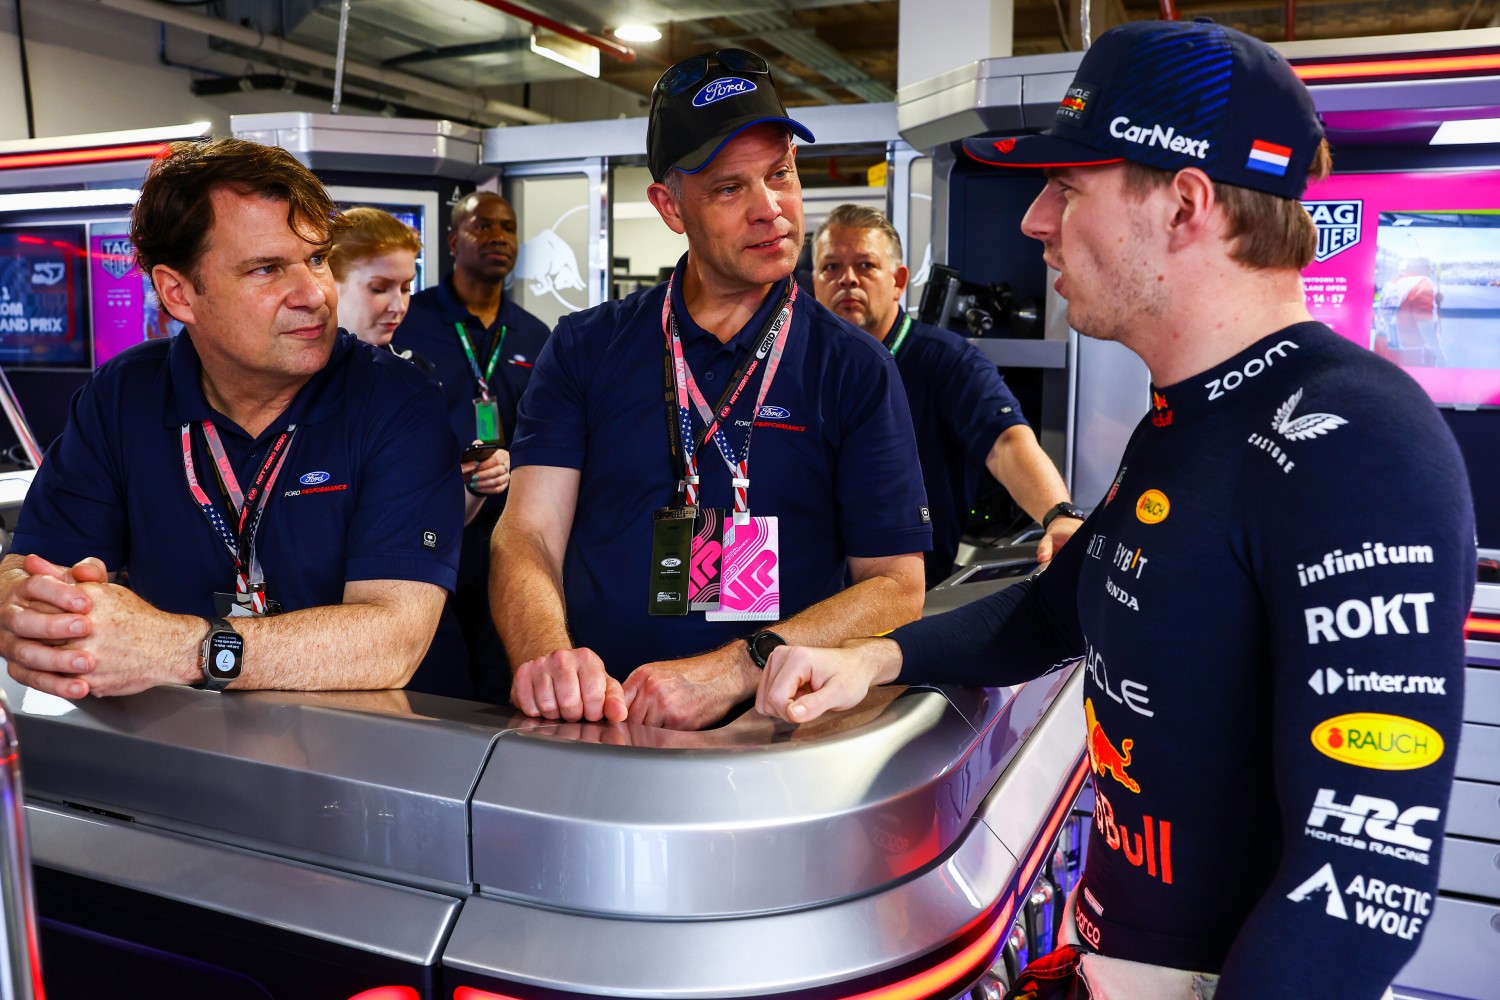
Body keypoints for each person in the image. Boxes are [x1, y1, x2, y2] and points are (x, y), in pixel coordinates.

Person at [757, 20, 1471, 1000]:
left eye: (1069, 186)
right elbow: (1059, 606)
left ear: (1184, 204)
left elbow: (1358, 886)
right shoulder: (1183, 417)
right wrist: (873, 659)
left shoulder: (1362, 441)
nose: (1033, 222)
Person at [491, 48, 932, 730]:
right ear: (670, 206)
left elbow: (896, 588)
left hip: (772, 735)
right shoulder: (583, 348)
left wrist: (734, 670)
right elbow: (526, 536)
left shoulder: (853, 367)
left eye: (780, 174)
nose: (772, 210)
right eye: (731, 189)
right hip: (597, 725)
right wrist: (549, 657)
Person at [0, 137, 464, 698]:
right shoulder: (122, 394)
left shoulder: (396, 401)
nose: (314, 294)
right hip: (187, 748)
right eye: (267, 269)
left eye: (317, 259)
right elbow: (30, 567)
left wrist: (176, 647)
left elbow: (392, 639)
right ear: (179, 294)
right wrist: (37, 611)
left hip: (369, 757)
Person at [811, 203, 1082, 587]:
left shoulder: (948, 361)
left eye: (866, 266)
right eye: (831, 267)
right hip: (808, 589)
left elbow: (1006, 441)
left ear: (898, 280)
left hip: (906, 592)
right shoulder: (797, 362)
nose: (848, 280)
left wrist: (1059, 514)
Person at [393, 191, 550, 700]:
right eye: (482, 226)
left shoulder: (535, 333)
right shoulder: (409, 322)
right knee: (432, 674)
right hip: (427, 525)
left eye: (506, 227)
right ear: (453, 240)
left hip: (510, 529)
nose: (498, 237)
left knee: (501, 671)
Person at [328, 205, 473, 698]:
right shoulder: (290, 389)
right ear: (327, 279)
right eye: (379, 288)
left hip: (411, 635)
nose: (398, 304)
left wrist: (472, 484)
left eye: (407, 287)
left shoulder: (415, 382)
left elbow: (441, 523)